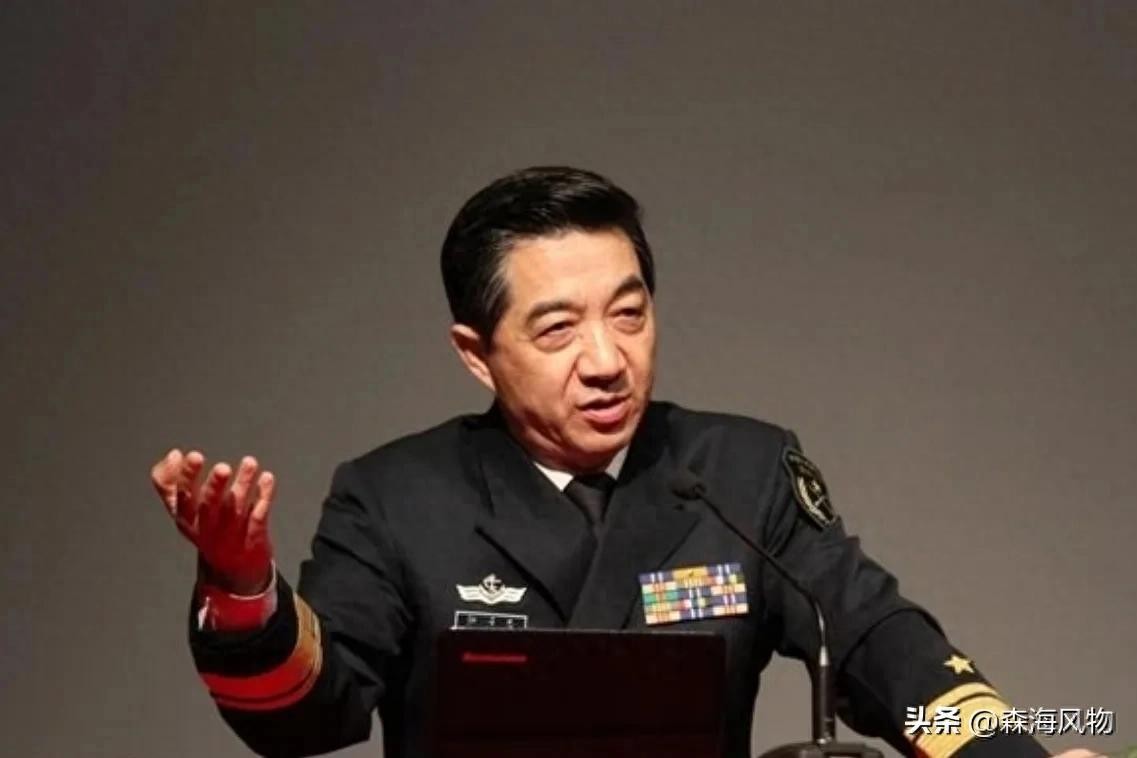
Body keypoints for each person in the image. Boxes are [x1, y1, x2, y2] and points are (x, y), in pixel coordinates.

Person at [151, 167, 1100, 758]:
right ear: (475, 353)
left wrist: (1006, 757)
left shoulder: (737, 471)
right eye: (557, 329)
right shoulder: (396, 498)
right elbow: (307, 720)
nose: (606, 359)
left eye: (629, 314)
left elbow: (875, 644)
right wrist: (243, 593)